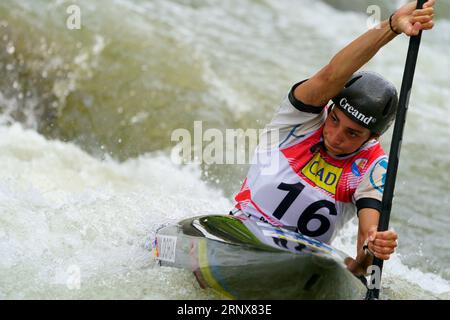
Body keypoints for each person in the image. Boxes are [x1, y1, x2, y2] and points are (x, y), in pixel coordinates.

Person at [232, 0, 435, 276]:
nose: (335, 136)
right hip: (242, 234)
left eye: (352, 133)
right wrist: (390, 27)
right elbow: (331, 74)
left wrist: (372, 250)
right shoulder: (300, 119)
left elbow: (366, 242)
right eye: (335, 120)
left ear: (372, 137)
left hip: (300, 266)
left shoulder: (372, 167)